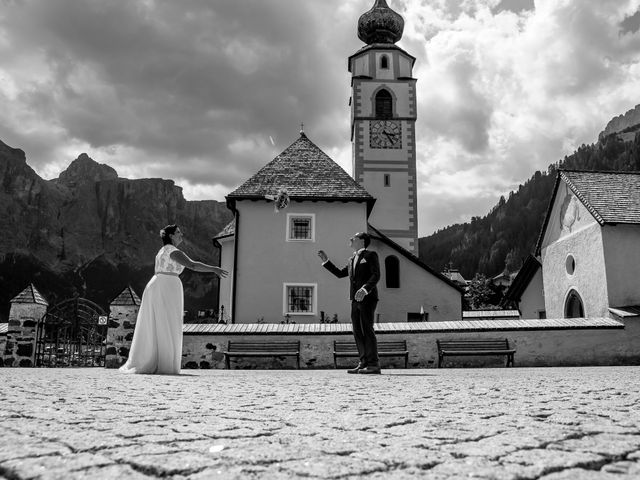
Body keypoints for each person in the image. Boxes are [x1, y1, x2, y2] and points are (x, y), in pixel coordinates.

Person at [120, 224, 228, 375]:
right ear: (171, 235)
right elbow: (193, 265)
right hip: (167, 286)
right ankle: (165, 363)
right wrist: (214, 269)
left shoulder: (162, 251)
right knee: (167, 322)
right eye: (178, 232)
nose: (181, 235)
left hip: (158, 284)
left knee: (157, 323)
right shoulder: (172, 251)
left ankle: (154, 360)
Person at [318, 232, 381, 374]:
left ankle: (374, 365)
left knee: (367, 329)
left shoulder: (370, 255)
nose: (350, 239)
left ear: (362, 241)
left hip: (368, 297)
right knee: (357, 331)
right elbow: (340, 273)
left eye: (354, 238)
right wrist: (326, 262)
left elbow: (376, 275)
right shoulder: (351, 259)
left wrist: (365, 289)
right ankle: (363, 362)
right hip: (354, 300)